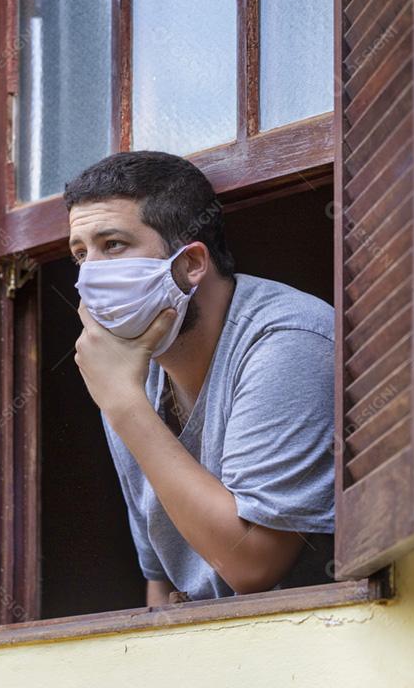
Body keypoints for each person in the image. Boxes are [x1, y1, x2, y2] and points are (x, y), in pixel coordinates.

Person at [66, 150, 336, 606]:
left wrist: (123, 404)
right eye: (79, 254)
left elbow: (253, 565)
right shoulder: (129, 371)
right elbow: (161, 580)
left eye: (112, 245)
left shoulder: (288, 339)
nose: (91, 274)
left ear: (191, 263)